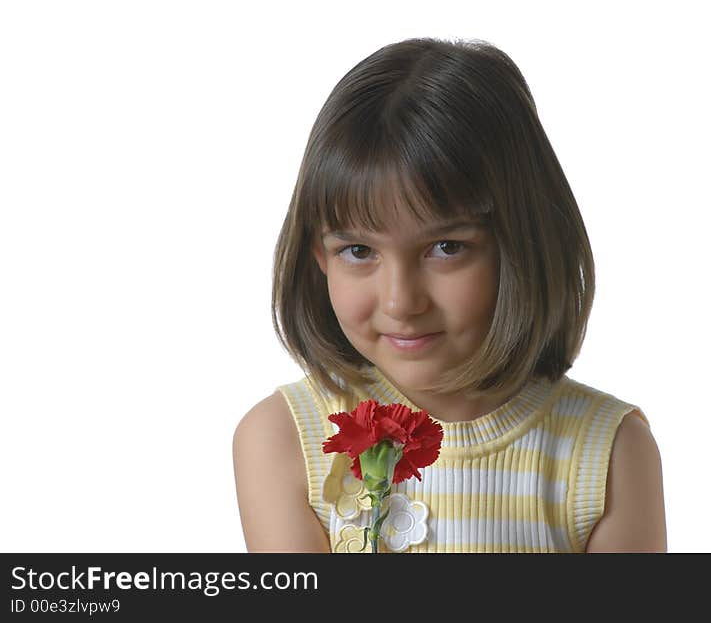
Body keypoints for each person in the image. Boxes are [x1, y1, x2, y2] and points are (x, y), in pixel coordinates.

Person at [232, 37, 667, 553]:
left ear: (524, 243)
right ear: (319, 257)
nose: (400, 301)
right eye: (357, 250)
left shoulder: (607, 454)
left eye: (446, 247)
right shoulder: (285, 440)